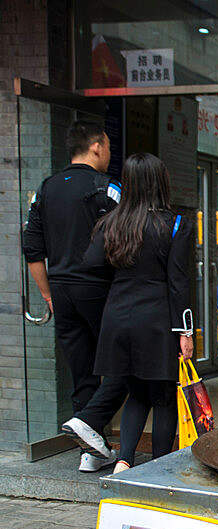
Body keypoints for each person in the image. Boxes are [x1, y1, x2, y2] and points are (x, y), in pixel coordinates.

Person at [22, 120, 128, 472]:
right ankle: (91, 422)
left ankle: (92, 452)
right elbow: (126, 241)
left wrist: (48, 294)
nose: (109, 153)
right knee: (121, 361)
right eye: (109, 147)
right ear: (96, 146)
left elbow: (33, 250)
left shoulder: (45, 189)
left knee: (82, 368)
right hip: (99, 288)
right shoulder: (107, 188)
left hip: (62, 289)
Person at [84, 153, 193, 475]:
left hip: (118, 317)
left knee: (135, 394)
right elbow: (178, 283)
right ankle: (159, 468)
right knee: (162, 398)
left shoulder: (111, 222)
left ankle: (124, 460)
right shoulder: (175, 224)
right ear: (161, 182)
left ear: (128, 184)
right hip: (157, 321)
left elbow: (90, 264)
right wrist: (185, 331)